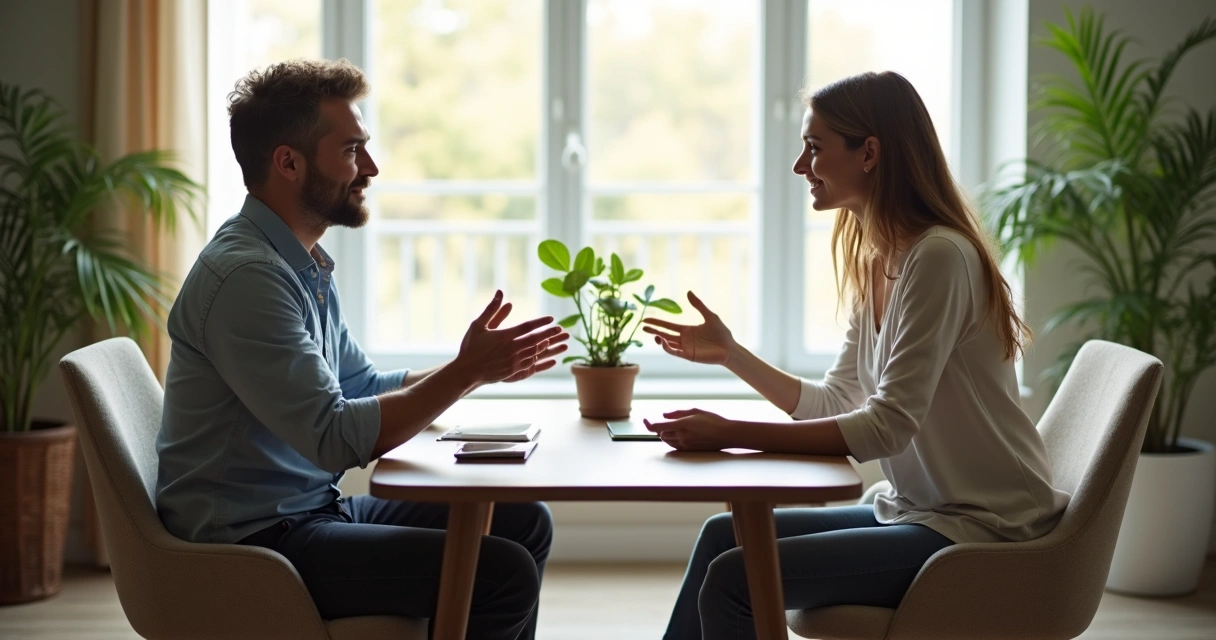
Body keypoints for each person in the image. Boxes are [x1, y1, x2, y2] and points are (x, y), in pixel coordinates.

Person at [641, 71, 1071, 640]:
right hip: (918, 511)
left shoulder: (940, 258)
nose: (800, 166)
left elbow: (886, 428)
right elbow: (837, 400)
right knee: (724, 537)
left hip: (983, 529)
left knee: (737, 576)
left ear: (869, 152)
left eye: (814, 148)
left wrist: (731, 431)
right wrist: (732, 355)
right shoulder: (879, 261)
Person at [155, 58, 568, 640]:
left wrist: (471, 369)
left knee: (520, 522)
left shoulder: (300, 265)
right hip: (250, 541)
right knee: (501, 573)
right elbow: (335, 437)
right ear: (288, 162)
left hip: (308, 511)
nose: (370, 167)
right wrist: (466, 374)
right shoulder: (248, 278)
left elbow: (358, 389)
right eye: (351, 150)